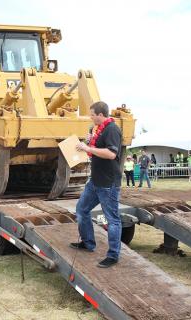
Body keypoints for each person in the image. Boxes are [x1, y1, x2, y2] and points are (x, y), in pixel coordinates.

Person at [73, 101, 122, 268]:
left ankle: (113, 255)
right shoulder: (98, 130)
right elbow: (97, 150)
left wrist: (88, 147)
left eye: (92, 114)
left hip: (108, 183)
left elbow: (111, 154)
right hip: (95, 181)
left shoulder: (112, 129)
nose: (91, 117)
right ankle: (88, 243)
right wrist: (90, 144)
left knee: (113, 220)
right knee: (81, 210)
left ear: (101, 115)